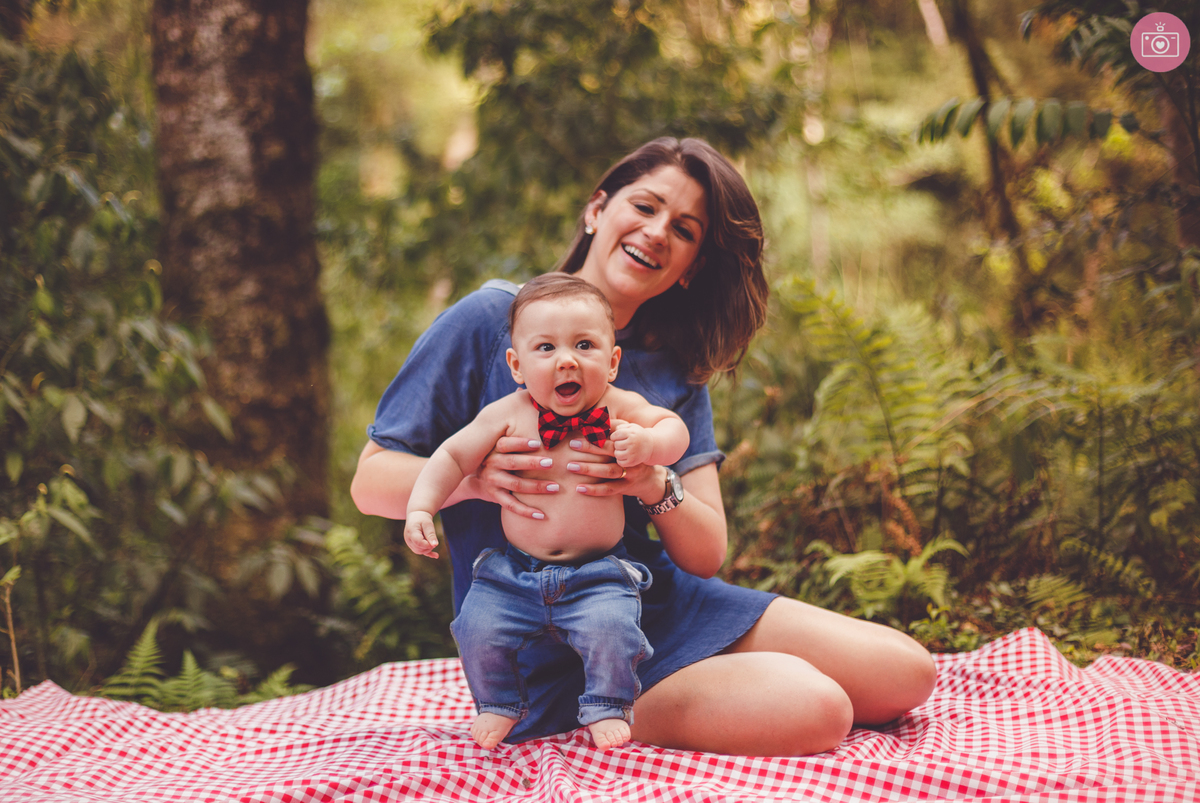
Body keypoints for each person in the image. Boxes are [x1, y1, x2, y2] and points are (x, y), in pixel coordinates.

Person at [352, 136, 937, 756]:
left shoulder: (672, 368)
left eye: (684, 230)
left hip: (651, 597)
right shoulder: (489, 321)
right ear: (596, 211)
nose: (658, 232)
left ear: (690, 267)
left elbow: (706, 551)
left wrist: (655, 484)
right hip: (544, 634)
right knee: (819, 708)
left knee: (907, 671)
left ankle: (683, 679)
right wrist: (479, 480)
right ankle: (603, 709)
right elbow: (370, 482)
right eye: (646, 206)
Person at [403, 273, 689, 751]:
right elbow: (451, 457)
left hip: (598, 572)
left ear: (612, 361)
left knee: (614, 630)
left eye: (583, 344)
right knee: (477, 627)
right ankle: (498, 702)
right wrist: (420, 507)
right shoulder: (506, 414)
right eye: (546, 348)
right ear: (516, 365)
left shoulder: (619, 407)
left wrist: (649, 443)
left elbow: (673, 429)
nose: (567, 360)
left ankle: (606, 703)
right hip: (514, 573)